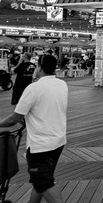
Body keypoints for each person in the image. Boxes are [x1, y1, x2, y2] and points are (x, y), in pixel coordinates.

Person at [0, 55, 68, 203]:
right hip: (58, 141)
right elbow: (45, 106)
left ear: (40, 68)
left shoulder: (33, 88)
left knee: (42, 182)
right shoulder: (62, 85)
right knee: (43, 179)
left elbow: (15, 118)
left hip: (40, 146)